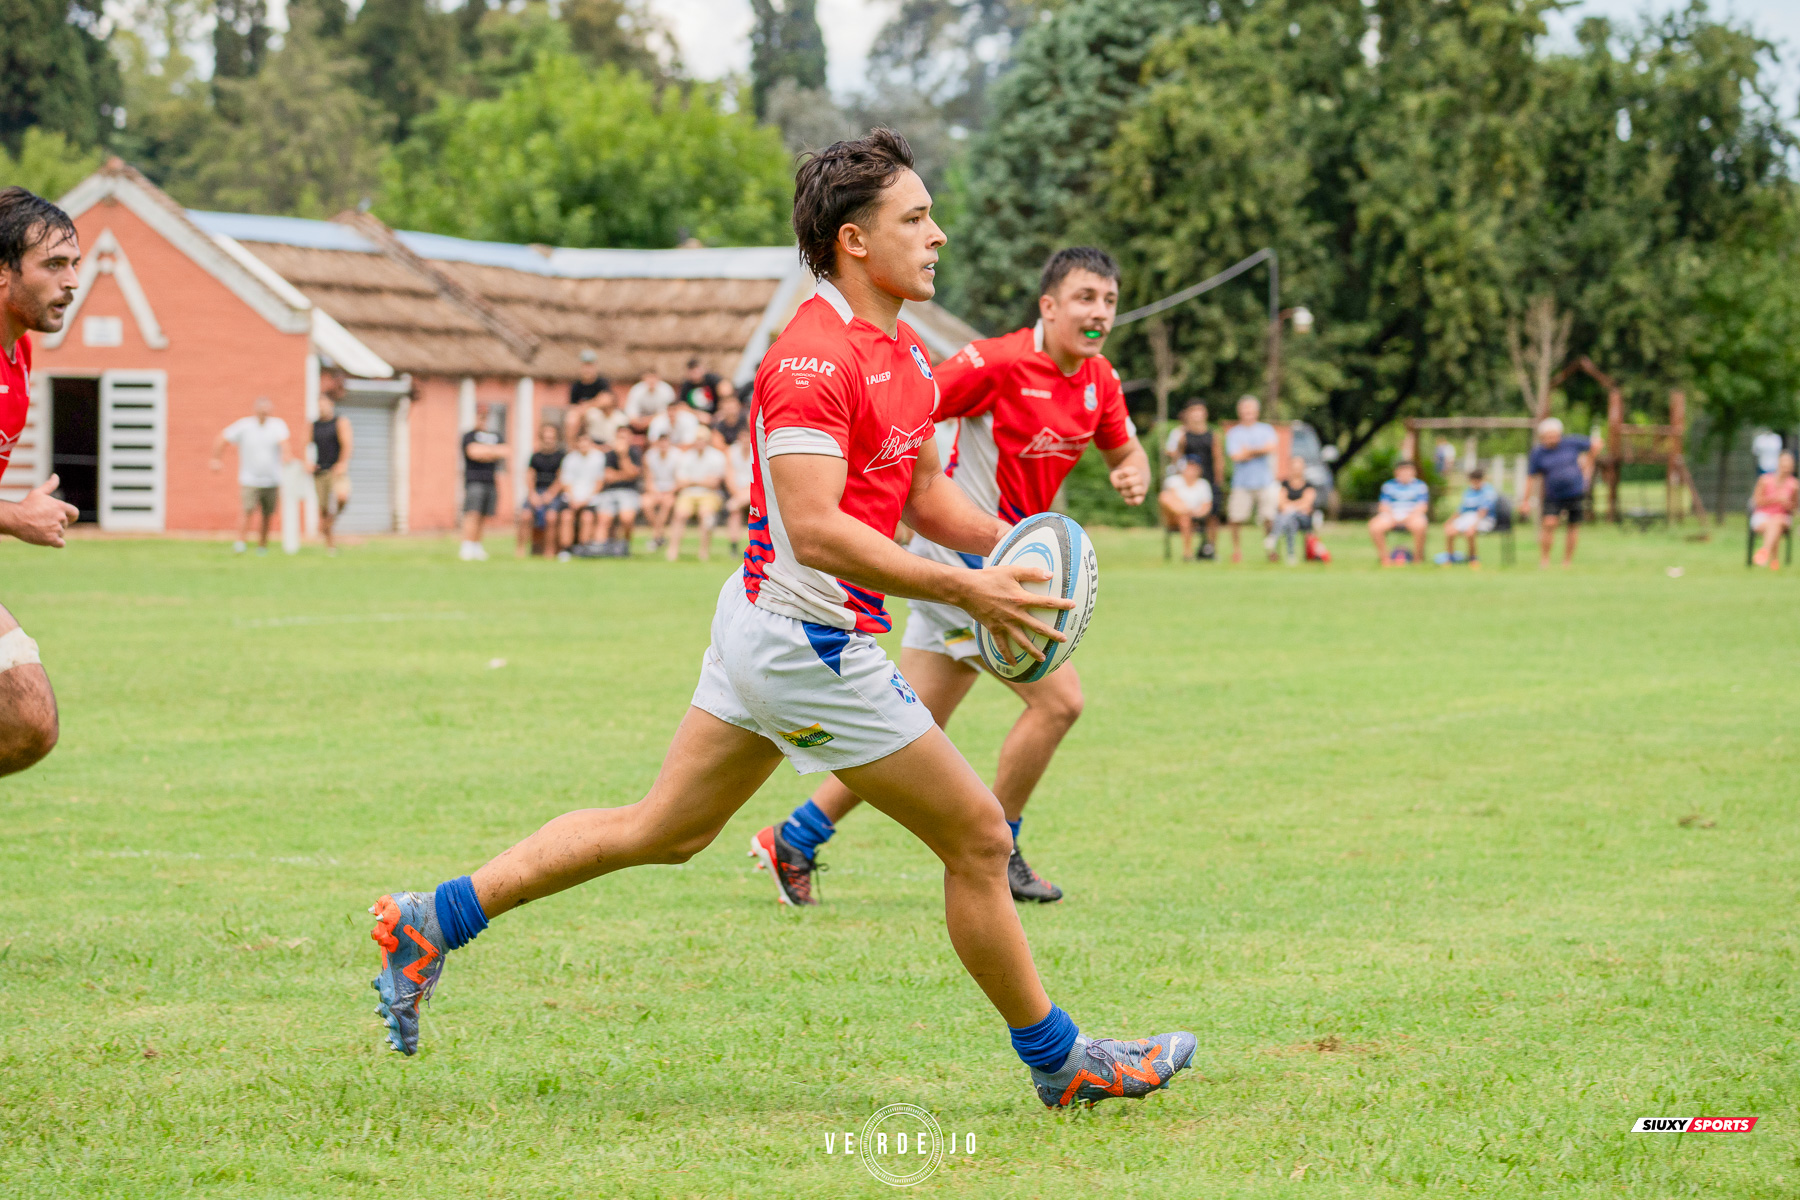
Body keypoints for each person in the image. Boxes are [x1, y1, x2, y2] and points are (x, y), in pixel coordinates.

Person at [365, 129, 1194, 1111]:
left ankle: (432, 919)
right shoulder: (809, 359)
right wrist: (968, 591)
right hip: (809, 641)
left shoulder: (907, 352)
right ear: (855, 240)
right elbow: (817, 527)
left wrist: (1010, 549)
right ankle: (1063, 1065)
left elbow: (926, 498)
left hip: (775, 629)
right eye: (915, 219)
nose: (938, 235)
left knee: (664, 830)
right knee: (978, 838)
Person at [752, 243, 1151, 907]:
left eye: (1109, 301)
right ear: (1048, 306)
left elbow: (1124, 445)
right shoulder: (995, 362)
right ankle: (1004, 846)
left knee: (908, 726)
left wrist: (1131, 468)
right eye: (1084, 298)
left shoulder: (1099, 381)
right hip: (968, 563)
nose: (1099, 312)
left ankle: (797, 836)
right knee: (1059, 702)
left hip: (1007, 558)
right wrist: (903, 495)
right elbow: (909, 409)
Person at [0, 187, 81, 778]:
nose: (72, 280)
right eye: (54, 265)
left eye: (74, 263)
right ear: (3, 274)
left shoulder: (20, 355)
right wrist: (13, 517)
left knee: (29, 722)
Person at [212, 396, 291, 555]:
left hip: (272, 479)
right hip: (250, 478)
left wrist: (287, 455)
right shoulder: (245, 426)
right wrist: (216, 459)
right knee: (247, 511)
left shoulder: (277, 425)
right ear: (256, 410)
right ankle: (240, 543)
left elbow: (285, 444)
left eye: (267, 410)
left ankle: (262, 546)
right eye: (261, 410)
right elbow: (222, 438)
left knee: (267, 514)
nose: (264, 413)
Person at [1525, 417, 1596, 568]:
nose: (1551, 439)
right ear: (1542, 437)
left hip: (1575, 491)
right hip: (1553, 495)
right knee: (1549, 523)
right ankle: (1544, 560)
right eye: (1548, 436)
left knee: (1573, 526)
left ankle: (1567, 561)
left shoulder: (1571, 443)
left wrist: (1588, 462)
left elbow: (1596, 444)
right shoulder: (1539, 453)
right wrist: (1525, 500)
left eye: (1554, 435)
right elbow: (1531, 477)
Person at [1163, 402, 1223, 559]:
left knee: (1212, 516)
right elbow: (1177, 456)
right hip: (1188, 479)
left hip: (1208, 479)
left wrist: (1218, 480)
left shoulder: (1212, 435)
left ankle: (1211, 548)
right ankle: (1189, 551)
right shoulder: (1184, 436)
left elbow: (1218, 458)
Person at [1225, 395, 1279, 563]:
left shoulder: (1266, 429)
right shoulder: (1234, 432)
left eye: (1251, 410)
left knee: (1269, 518)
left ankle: (1271, 550)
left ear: (1257, 411)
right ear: (1239, 412)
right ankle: (1236, 551)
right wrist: (1259, 451)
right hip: (1242, 483)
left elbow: (1271, 447)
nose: (1248, 413)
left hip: (1264, 481)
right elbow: (1236, 456)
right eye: (1245, 410)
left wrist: (1249, 451)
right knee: (1235, 518)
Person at [665, 432, 726, 562]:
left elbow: (714, 483)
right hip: (688, 493)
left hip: (709, 494)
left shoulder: (717, 456)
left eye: (702, 440)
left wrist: (692, 481)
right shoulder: (686, 457)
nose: (700, 443)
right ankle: (673, 550)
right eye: (698, 439)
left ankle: (704, 551)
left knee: (706, 515)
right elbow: (681, 482)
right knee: (680, 514)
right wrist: (702, 481)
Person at [458, 403, 507, 561]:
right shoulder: (469, 435)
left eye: (485, 415)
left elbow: (506, 451)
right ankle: (466, 545)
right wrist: (493, 451)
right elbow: (473, 452)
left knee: (484, 515)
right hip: (474, 481)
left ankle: (477, 545)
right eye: (480, 415)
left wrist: (485, 451)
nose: (482, 418)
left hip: (491, 481)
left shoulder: (496, 435)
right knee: (472, 513)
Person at [309, 384, 353, 555]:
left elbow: (347, 445)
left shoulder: (340, 422)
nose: (321, 407)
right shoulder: (313, 425)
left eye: (324, 403)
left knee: (342, 497)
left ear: (331, 404)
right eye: (319, 404)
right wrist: (307, 463)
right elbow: (304, 444)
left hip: (337, 470)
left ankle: (328, 524)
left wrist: (343, 463)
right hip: (321, 471)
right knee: (324, 508)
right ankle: (330, 546)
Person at [517, 424, 567, 558]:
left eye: (551, 437)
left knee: (551, 517)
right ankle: (520, 549)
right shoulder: (535, 456)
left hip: (553, 494)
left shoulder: (561, 456)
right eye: (546, 437)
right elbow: (530, 476)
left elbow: (561, 478)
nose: (548, 440)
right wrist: (532, 494)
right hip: (537, 491)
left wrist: (550, 494)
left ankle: (549, 551)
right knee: (525, 515)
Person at [1367, 459, 1430, 565]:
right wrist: (1392, 517)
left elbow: (1422, 506)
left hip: (1412, 515)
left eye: (1408, 470)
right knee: (1375, 526)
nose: (1405, 473)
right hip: (1392, 515)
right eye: (1402, 470)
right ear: (1397, 472)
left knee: (1420, 525)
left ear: (1413, 472)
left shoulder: (1420, 486)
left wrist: (1408, 518)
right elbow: (1383, 506)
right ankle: (1385, 559)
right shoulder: (1388, 486)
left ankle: (1417, 558)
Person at [592, 426, 642, 557]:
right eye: (620, 437)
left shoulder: (634, 453)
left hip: (628, 491)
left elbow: (633, 474)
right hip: (610, 492)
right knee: (604, 518)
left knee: (627, 518)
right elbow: (608, 477)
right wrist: (626, 473)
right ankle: (600, 549)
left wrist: (623, 456)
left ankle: (625, 546)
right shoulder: (608, 454)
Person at [554, 430, 605, 557]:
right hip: (572, 499)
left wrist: (584, 501)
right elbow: (566, 482)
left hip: (590, 499)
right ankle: (565, 549)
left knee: (587, 518)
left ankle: (583, 549)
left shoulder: (598, 457)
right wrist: (573, 499)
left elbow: (599, 483)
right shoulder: (570, 459)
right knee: (566, 516)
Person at [1439, 467, 1498, 566]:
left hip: (1484, 519)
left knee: (1470, 532)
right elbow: (1461, 510)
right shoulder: (1468, 491)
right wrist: (1449, 521)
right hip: (1467, 517)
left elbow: (1483, 511)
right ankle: (1449, 558)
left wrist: (1474, 525)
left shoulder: (1488, 491)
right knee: (1450, 531)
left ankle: (1473, 558)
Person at [1159, 457, 1214, 561]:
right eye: (1188, 467)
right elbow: (1171, 497)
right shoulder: (1174, 481)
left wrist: (1196, 514)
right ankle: (1187, 552)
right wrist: (1185, 510)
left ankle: (1188, 552)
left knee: (1185, 519)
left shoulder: (1203, 484)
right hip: (1173, 516)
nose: (1191, 471)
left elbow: (1206, 506)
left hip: (1194, 518)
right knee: (1165, 497)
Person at [1750, 451, 1797, 569]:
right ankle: (1774, 561)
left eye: (1789, 464)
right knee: (1774, 524)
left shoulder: (1794, 485)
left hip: (1783, 518)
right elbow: (1756, 502)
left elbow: (1795, 507)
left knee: (1777, 520)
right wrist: (1775, 499)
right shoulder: (1765, 480)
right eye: (1784, 463)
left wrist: (1787, 504)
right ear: (1778, 463)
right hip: (1763, 517)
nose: (1786, 467)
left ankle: (1764, 552)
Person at [1270, 454, 1315, 564]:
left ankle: (1274, 536)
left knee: (1289, 515)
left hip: (1304, 519)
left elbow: (1307, 504)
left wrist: (1290, 507)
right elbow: (1281, 504)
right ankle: (1291, 555)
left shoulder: (1309, 485)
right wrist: (1297, 506)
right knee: (1291, 521)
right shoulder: (1285, 484)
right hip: (1290, 519)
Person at [641, 429, 680, 549]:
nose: (663, 445)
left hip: (671, 490)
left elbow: (679, 480)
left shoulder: (677, 456)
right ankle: (660, 535)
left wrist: (668, 492)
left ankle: (656, 537)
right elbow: (648, 479)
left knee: (667, 504)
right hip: (655, 490)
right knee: (645, 503)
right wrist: (655, 492)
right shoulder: (649, 456)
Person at [724, 430, 754, 555]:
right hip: (738, 493)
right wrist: (737, 493)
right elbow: (729, 475)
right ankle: (734, 546)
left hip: (754, 492)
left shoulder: (757, 451)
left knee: (734, 506)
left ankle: (756, 547)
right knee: (735, 512)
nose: (746, 440)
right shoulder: (732, 451)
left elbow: (758, 477)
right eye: (743, 437)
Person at [625, 367, 675, 433]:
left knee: (661, 423)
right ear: (643, 379)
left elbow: (667, 412)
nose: (651, 381)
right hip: (640, 420)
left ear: (659, 378)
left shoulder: (666, 390)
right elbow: (631, 409)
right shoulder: (636, 389)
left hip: (659, 420)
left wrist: (648, 421)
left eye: (653, 378)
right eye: (649, 378)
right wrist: (635, 420)